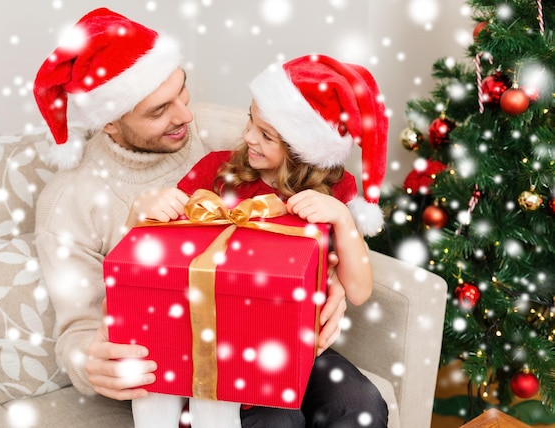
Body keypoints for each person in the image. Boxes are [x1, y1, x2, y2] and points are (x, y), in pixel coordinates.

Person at [32, 7, 359, 428]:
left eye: (182, 92)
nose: (186, 115)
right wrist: (92, 363)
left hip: (268, 331)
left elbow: (307, 185)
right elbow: (78, 332)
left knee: (358, 406)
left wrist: (329, 280)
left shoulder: (228, 133)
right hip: (172, 366)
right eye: (158, 110)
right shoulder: (68, 202)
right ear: (110, 123)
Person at [127, 54, 390, 428]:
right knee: (278, 420)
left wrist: (342, 218)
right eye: (251, 120)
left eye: (266, 135)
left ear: (304, 148)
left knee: (360, 404)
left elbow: (360, 291)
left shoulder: (336, 190)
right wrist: (143, 210)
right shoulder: (218, 173)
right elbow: (162, 248)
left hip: (302, 349)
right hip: (226, 346)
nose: (249, 136)